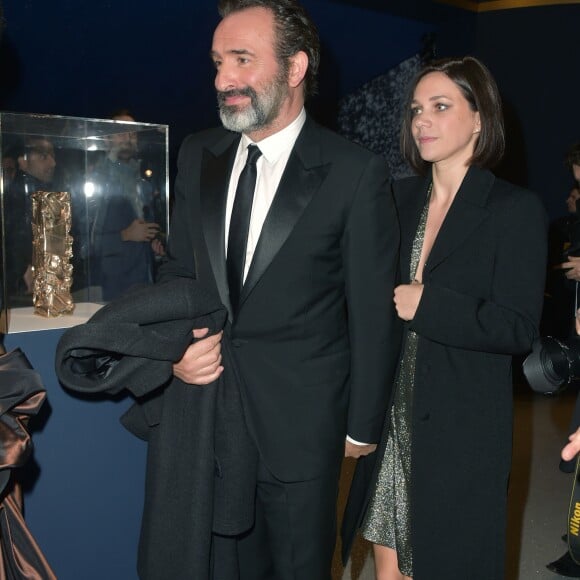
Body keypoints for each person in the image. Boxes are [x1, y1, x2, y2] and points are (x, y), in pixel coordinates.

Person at [155, 0, 401, 578]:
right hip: (210, 409)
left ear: (295, 68)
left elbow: (372, 311)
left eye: (242, 59)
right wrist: (177, 350)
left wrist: (361, 425)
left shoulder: (353, 171)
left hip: (303, 423)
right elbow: (177, 277)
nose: (223, 80)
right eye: (217, 62)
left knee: (297, 565)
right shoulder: (198, 154)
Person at [343, 56, 548, 580]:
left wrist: (429, 305)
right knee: (386, 568)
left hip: (460, 430)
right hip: (393, 419)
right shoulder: (396, 197)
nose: (421, 121)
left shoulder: (513, 210)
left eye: (440, 106)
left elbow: (517, 328)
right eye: (416, 109)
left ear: (480, 119)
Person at [90, 109, 164, 300]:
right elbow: (85, 240)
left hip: (145, 279)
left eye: (132, 133)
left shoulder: (143, 180)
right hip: (112, 286)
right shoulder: (95, 179)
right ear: (106, 140)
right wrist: (125, 235)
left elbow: (149, 227)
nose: (128, 138)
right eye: (121, 132)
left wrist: (155, 245)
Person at [4, 136, 57, 302]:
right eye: (43, 156)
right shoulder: (17, 196)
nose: (52, 163)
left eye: (52, 156)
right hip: (22, 290)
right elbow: (14, 238)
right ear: (23, 161)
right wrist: (21, 269)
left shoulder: (40, 192)